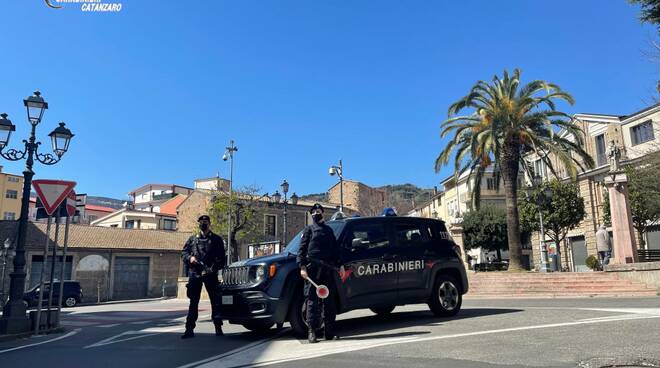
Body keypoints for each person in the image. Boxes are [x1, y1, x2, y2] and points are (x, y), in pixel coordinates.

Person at [297, 203, 342, 343]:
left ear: (323, 213)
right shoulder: (308, 230)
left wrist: (340, 266)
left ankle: (329, 332)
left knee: (329, 302)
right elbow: (301, 251)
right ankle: (312, 332)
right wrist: (302, 267)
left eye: (318, 211)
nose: (316, 213)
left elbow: (335, 251)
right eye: (314, 212)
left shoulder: (329, 231)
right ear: (311, 215)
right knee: (312, 302)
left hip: (327, 270)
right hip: (312, 271)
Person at [181, 215, 226, 339]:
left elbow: (222, 258)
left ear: (209, 223)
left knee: (215, 301)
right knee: (193, 302)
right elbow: (184, 253)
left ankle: (218, 327)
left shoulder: (217, 240)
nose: (203, 224)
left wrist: (213, 268)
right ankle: (189, 329)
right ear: (199, 224)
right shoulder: (192, 240)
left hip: (210, 274)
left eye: (205, 222)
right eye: (201, 222)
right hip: (195, 274)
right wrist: (190, 258)